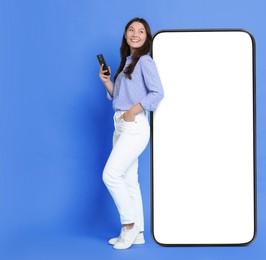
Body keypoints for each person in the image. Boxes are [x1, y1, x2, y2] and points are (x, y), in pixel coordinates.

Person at [98, 17, 164, 250]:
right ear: (125, 35)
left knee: (111, 175)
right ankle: (139, 233)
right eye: (131, 30)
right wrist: (107, 82)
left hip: (134, 126)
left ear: (147, 37)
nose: (135, 34)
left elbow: (157, 93)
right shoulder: (127, 61)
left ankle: (128, 225)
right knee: (128, 180)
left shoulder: (145, 61)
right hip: (121, 125)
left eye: (141, 31)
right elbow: (119, 98)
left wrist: (133, 111)